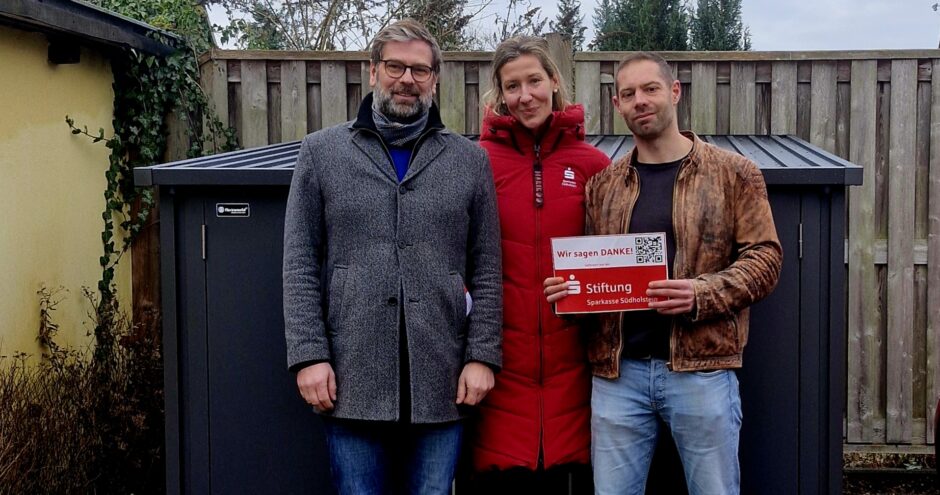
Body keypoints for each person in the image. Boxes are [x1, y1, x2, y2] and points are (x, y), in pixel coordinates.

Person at [544, 51, 783, 495]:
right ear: (617, 105)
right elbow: (598, 270)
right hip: (619, 376)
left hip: (703, 371)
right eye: (629, 93)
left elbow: (766, 260)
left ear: (674, 92)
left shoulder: (734, 173)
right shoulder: (603, 185)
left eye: (650, 88)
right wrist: (572, 293)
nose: (640, 100)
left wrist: (701, 294)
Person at [283, 19, 503, 495]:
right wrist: (308, 355)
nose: (408, 79)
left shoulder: (469, 160)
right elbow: (299, 262)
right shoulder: (322, 153)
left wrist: (482, 356)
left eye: (420, 70)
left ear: (435, 79)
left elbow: (486, 268)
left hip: (443, 379)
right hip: (350, 374)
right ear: (373, 70)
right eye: (396, 66)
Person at [468, 35, 610, 493]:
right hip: (497, 369)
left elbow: (616, 256)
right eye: (512, 86)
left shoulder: (594, 165)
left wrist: (591, 286)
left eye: (534, 81)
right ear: (500, 95)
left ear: (554, 81)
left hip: (577, 369)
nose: (525, 95)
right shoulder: (474, 162)